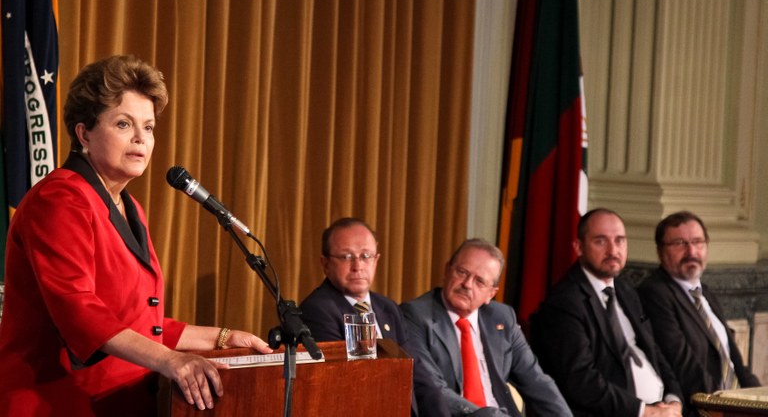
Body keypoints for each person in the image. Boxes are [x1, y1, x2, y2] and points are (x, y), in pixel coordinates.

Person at [0, 55, 272, 416]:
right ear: (84, 133)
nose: (141, 139)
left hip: (120, 402)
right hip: (54, 402)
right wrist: (171, 360)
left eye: (149, 127)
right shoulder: (60, 199)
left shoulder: (130, 207)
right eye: (124, 124)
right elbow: (77, 309)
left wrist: (222, 338)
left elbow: (141, 322)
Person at [529, 208, 683, 417]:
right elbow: (581, 380)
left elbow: (654, 352)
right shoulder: (565, 303)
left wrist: (674, 399)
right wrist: (644, 412)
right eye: (601, 241)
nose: (613, 250)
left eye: (620, 241)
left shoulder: (626, 291)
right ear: (579, 247)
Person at [401, 238, 572, 417]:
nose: (467, 284)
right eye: (462, 272)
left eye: (479, 281)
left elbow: (536, 381)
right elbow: (432, 387)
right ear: (447, 270)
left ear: (491, 294)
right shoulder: (415, 315)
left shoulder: (502, 318)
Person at [299, 217, 449, 416]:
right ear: (325, 263)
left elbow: (417, 372)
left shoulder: (387, 307)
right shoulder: (317, 310)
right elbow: (344, 383)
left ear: (376, 260)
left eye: (366, 256)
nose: (358, 266)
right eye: (346, 257)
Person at [637, 211, 761, 413]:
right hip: (704, 407)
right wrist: (730, 407)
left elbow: (736, 364)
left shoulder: (705, 294)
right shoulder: (654, 293)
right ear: (660, 251)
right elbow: (684, 366)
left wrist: (758, 399)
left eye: (697, 242)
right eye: (679, 243)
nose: (691, 251)